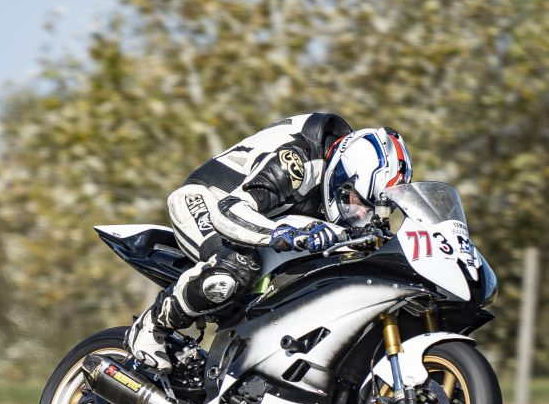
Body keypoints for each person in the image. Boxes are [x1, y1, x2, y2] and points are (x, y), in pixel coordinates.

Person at [127, 112, 413, 372]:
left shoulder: (352, 182)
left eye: (371, 210)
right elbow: (229, 211)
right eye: (357, 201)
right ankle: (153, 325)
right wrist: (282, 234)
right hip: (207, 202)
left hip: (267, 218)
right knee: (237, 267)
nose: (360, 214)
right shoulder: (297, 162)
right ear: (342, 177)